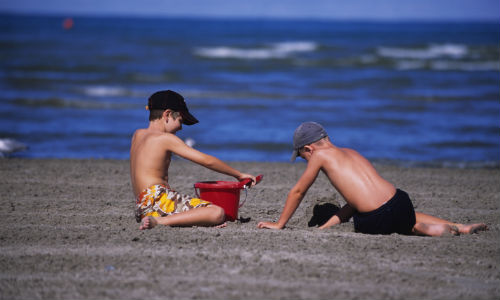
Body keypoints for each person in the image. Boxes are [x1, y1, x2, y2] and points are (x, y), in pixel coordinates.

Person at [257, 121, 487, 236]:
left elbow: (298, 191)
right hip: (400, 200)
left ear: (308, 148)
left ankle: (429, 230)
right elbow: (354, 203)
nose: (305, 161)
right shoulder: (351, 152)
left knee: (397, 221)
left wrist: (279, 224)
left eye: (302, 157)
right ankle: (459, 226)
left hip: (380, 216)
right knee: (402, 215)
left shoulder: (319, 156)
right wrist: (326, 227)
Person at [131, 90, 256, 230]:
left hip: (142, 204)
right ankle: (159, 221)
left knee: (199, 210)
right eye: (180, 120)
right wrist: (238, 174)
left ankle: (156, 218)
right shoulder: (165, 138)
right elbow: (206, 160)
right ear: (167, 114)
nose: (181, 127)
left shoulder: (138, 134)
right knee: (217, 212)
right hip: (158, 199)